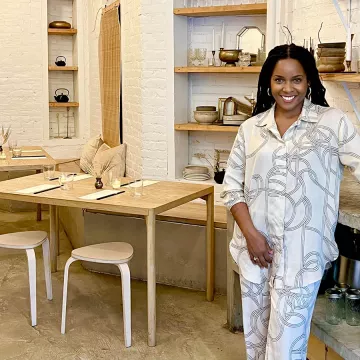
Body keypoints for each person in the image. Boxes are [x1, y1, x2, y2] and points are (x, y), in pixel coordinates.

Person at [221, 43, 360, 360]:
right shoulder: (250, 129)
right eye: (279, 80)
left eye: (296, 79)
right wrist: (252, 236)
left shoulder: (332, 124)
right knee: (256, 347)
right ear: (268, 83)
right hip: (254, 254)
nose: (288, 88)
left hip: (302, 257)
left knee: (286, 351)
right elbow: (232, 189)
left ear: (309, 80)